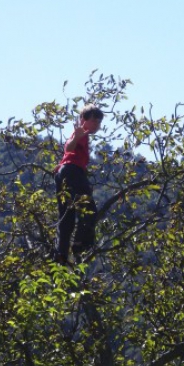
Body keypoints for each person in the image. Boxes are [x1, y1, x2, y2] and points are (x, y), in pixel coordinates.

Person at [54, 104, 103, 264]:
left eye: (99, 122)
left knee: (66, 216)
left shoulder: (83, 135)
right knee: (89, 210)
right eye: (94, 121)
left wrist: (61, 166)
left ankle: (61, 254)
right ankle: (80, 244)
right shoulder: (80, 133)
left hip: (65, 172)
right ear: (83, 119)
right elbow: (69, 146)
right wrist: (76, 137)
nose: (97, 125)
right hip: (73, 172)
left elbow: (69, 155)